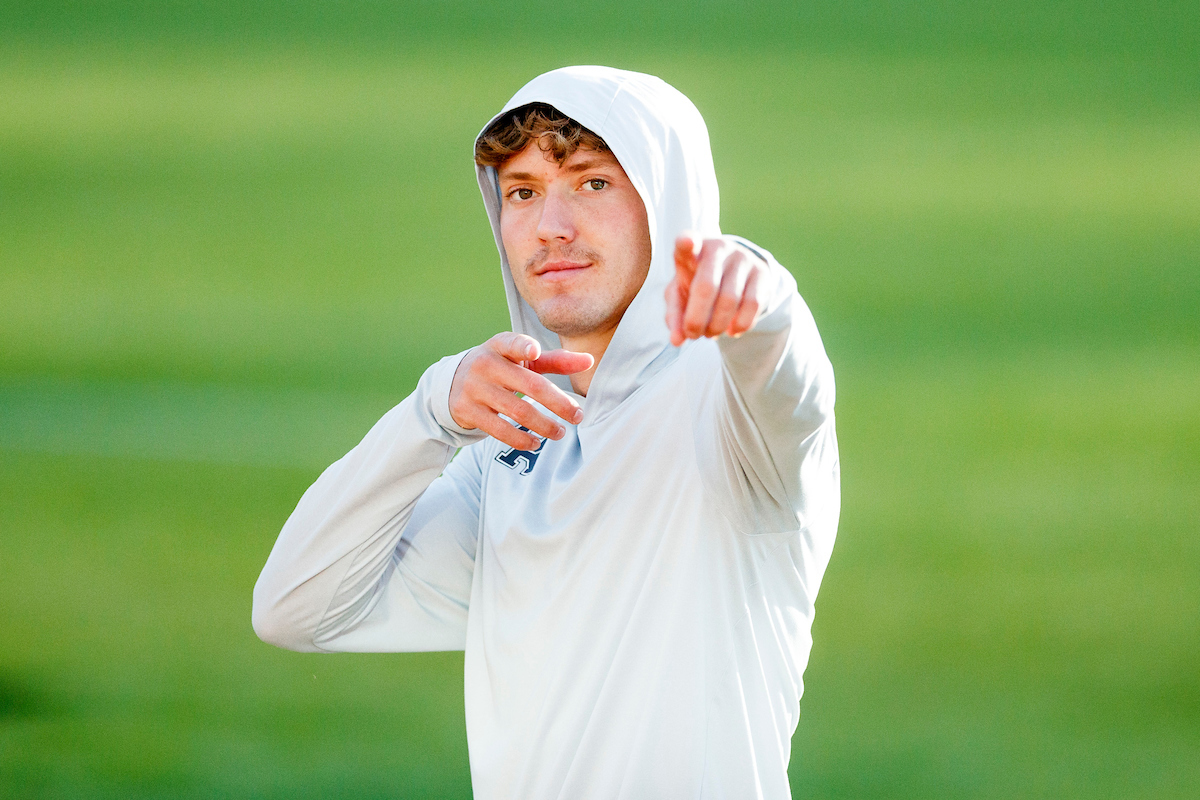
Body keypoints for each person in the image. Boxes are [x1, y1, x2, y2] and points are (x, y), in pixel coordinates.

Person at [253, 65, 840, 799]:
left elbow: (791, 390)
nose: (550, 227)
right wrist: (430, 413)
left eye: (592, 183)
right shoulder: (512, 446)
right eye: (523, 192)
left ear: (669, 205)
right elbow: (293, 608)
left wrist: (761, 294)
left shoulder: (730, 417)